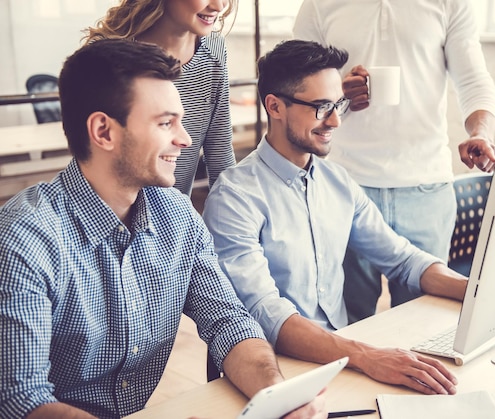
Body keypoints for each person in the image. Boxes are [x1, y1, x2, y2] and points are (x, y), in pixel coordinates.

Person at [0, 39, 324, 419]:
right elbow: (22, 399)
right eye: (165, 122)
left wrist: (277, 395)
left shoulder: (177, 216)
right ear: (103, 131)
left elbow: (230, 323)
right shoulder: (24, 238)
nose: (185, 139)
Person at [204, 39, 467, 396]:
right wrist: (366, 356)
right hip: (275, 367)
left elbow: (404, 260)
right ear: (275, 106)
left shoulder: (337, 181)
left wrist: (479, 292)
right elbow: (265, 313)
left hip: (341, 356)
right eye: (321, 107)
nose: (336, 120)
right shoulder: (235, 197)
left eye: (338, 103)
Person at [293, 0, 495, 323]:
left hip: (426, 191)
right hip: (343, 189)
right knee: (347, 325)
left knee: (423, 326)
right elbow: (298, 88)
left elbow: (474, 81)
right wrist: (337, 95)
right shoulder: (318, 5)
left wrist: (482, 133)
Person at [85, 0, 238, 195]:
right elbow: (95, 159)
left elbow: (220, 149)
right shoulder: (105, 55)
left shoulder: (214, 50)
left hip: (175, 217)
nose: (219, 6)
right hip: (113, 213)